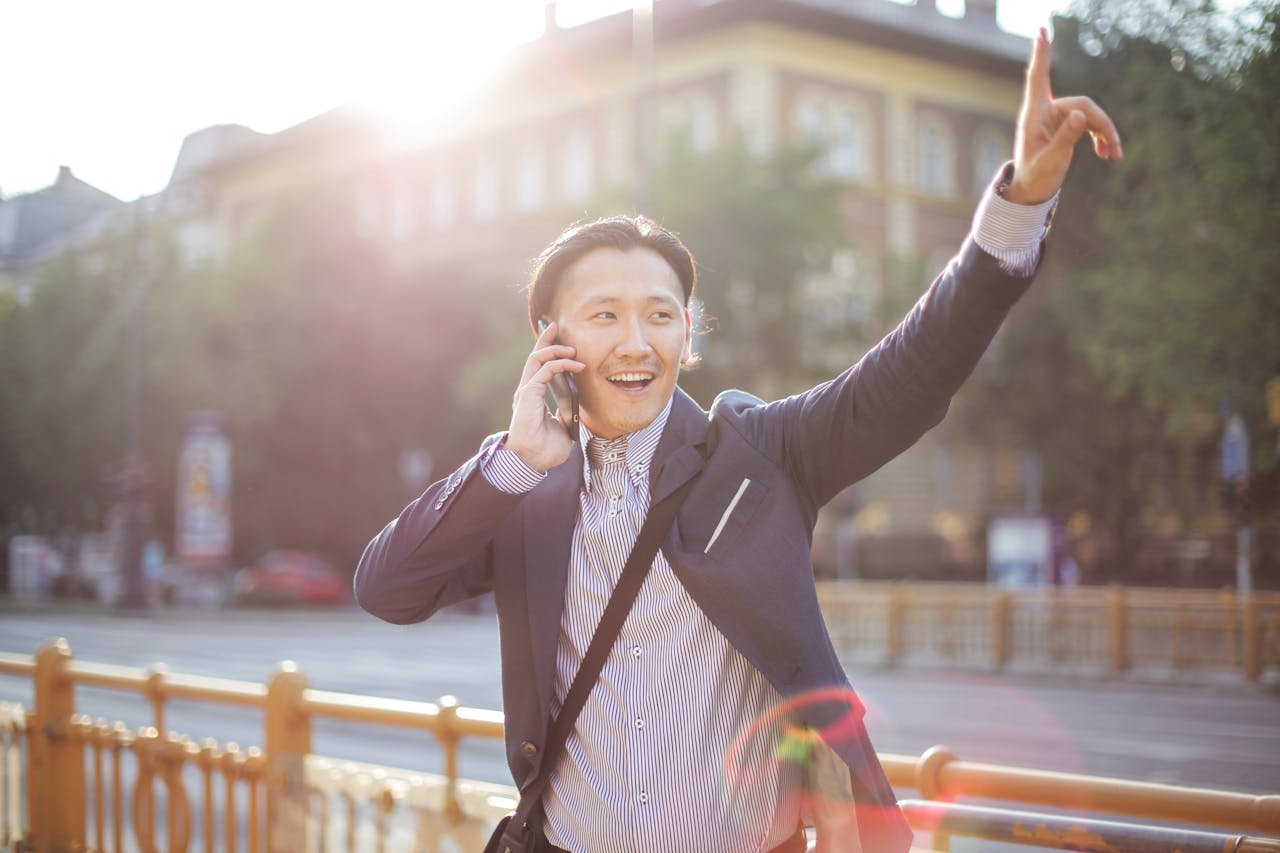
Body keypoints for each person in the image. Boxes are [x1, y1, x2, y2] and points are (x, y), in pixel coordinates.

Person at [355, 29, 1120, 853]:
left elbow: (909, 376)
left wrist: (1017, 210)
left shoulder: (761, 453)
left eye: (658, 314)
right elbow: (389, 588)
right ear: (553, 337)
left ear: (690, 333)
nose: (635, 341)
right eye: (605, 314)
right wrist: (509, 461)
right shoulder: (521, 488)